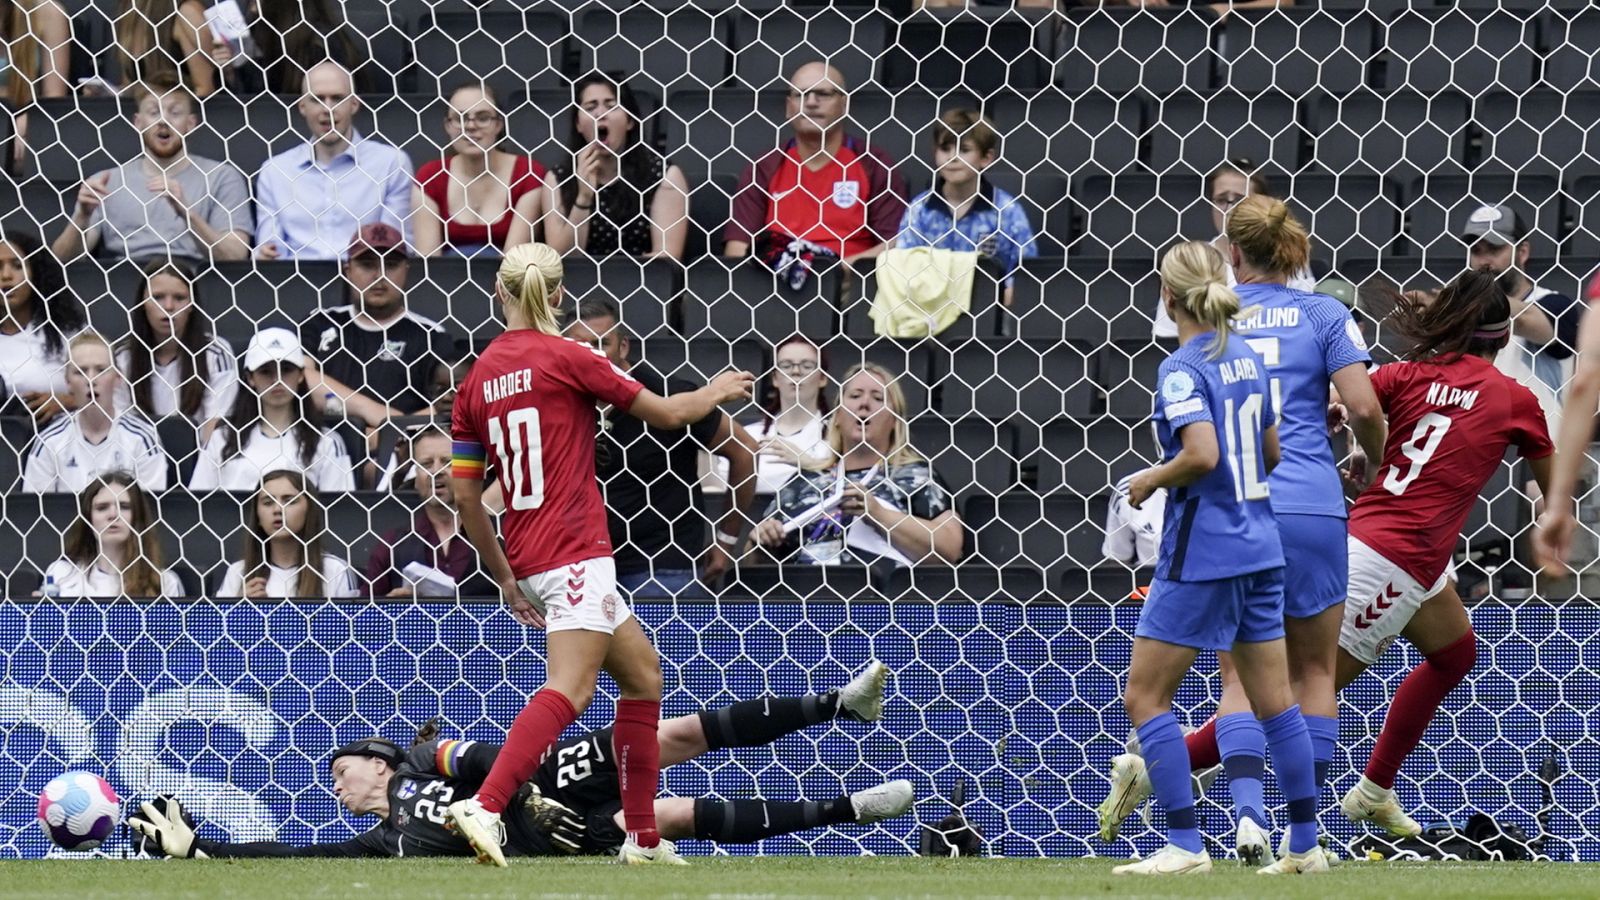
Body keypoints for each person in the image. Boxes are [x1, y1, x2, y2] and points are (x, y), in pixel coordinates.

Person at [445, 242, 753, 866]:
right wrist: (718, 387)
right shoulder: (570, 356)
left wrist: (503, 575)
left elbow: (465, 494)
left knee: (643, 679)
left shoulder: (476, 379)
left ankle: (641, 838)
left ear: (499, 294)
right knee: (571, 688)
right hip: (575, 549)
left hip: (528, 556)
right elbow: (668, 413)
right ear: (557, 296)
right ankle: (486, 805)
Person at [1101, 200, 1386, 866]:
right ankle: (1304, 839)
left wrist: (1151, 480)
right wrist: (1369, 459)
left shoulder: (1218, 340)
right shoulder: (1323, 313)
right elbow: (1364, 405)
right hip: (1313, 507)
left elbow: (1204, 451)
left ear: (1230, 255)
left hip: (1231, 519)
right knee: (1310, 675)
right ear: (1295, 248)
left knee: (1221, 686)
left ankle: (1239, 819)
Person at [126, 664, 910, 859]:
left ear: (378, 763)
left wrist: (519, 795)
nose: (338, 784)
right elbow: (287, 860)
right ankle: (852, 809)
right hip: (553, 840)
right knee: (669, 816)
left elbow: (498, 755)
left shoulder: (431, 764)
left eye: (343, 769)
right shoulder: (380, 843)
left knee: (663, 736)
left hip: (542, 784)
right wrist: (204, 848)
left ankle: (838, 706)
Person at [564, 297, 759, 597]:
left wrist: (726, 540)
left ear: (624, 346)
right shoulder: (562, 404)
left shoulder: (670, 393)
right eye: (581, 347)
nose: (593, 355)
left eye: (602, 343)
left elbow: (745, 450)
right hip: (584, 570)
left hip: (663, 570)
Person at [751, 363, 964, 569]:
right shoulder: (806, 480)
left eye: (878, 398)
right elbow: (749, 565)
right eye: (854, 396)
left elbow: (950, 548)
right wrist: (759, 543)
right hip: (804, 598)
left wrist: (878, 514)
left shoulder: (916, 476)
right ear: (837, 418)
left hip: (882, 600)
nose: (864, 404)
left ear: (895, 421)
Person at [724, 61, 906, 271]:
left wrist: (827, 275)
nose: (811, 102)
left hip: (850, 287)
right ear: (788, 107)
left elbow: (894, 245)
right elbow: (738, 249)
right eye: (801, 95)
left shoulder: (874, 164)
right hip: (776, 286)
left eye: (824, 93)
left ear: (844, 105)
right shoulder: (764, 167)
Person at [51, 80, 252, 263]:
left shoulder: (222, 176)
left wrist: (187, 214)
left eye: (174, 113)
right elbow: (62, 262)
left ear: (191, 123)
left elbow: (235, 256)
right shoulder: (106, 181)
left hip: (195, 283)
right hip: (125, 285)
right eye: (154, 112)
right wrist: (82, 217)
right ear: (138, 123)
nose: (163, 121)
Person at [516, 72, 688, 261]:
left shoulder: (663, 176)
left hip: (641, 284)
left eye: (611, 106)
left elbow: (666, 260)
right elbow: (562, 259)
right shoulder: (558, 178)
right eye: (590, 107)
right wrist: (583, 197)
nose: (600, 114)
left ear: (630, 121)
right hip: (580, 286)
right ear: (578, 124)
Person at [254, 61, 413, 261]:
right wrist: (264, 255)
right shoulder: (275, 171)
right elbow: (270, 250)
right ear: (302, 107)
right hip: (296, 284)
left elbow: (393, 246)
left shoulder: (391, 163)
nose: (327, 109)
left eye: (337, 98)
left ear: (354, 104)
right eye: (317, 99)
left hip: (366, 283)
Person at [301, 223, 455, 427]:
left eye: (390, 265)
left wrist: (392, 436)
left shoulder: (431, 335)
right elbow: (300, 378)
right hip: (326, 447)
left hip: (405, 452)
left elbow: (448, 404)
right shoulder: (320, 322)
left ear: (406, 271)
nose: (379, 275)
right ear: (348, 271)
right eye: (367, 264)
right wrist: (376, 415)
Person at [1151, 160, 1317, 340]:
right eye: (1221, 200)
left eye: (1239, 200)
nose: (1229, 209)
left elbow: (1306, 323)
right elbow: (1167, 336)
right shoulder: (1190, 260)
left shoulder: (1284, 255)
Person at [895, 108, 1039, 302]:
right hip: (928, 312)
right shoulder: (919, 210)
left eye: (964, 150)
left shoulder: (1007, 211)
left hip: (990, 315)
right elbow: (904, 268)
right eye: (945, 149)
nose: (952, 158)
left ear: (986, 158)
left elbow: (1025, 275)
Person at [188, 327, 354, 492]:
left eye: (287, 370)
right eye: (266, 371)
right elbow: (199, 505)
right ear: (250, 378)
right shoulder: (221, 439)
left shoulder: (327, 443)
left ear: (301, 375)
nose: (277, 380)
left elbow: (339, 513)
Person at [1460, 204, 1578, 420]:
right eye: (1476, 250)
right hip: (1484, 442)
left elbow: (1526, 320)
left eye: (1495, 249)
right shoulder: (1462, 312)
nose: (1484, 261)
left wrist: (1464, 299)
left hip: (1541, 445)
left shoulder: (1556, 305)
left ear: (1522, 252)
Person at [413, 82, 555, 258]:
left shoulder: (527, 175)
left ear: (499, 124)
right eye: (460, 118)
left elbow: (513, 263)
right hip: (445, 282)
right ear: (448, 126)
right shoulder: (430, 176)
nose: (471, 126)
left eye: (483, 117)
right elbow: (428, 262)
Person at [23, 332, 168, 493]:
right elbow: (35, 511)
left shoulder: (143, 438)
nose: (91, 379)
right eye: (80, 371)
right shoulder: (49, 442)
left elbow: (150, 510)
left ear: (118, 377)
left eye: (101, 370)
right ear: (67, 382)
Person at [113, 257, 238, 441]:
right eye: (158, 297)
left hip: (200, 461)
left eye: (179, 298)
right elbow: (119, 427)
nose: (169, 307)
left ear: (192, 305)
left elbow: (216, 430)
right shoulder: (122, 357)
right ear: (142, 304)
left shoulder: (217, 353)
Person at [364, 423, 494, 598]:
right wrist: (391, 608)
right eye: (426, 464)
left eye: (448, 462)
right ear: (415, 477)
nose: (436, 471)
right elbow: (363, 618)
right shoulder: (392, 546)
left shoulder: (503, 538)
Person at [715, 334, 832, 498]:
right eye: (786, 365)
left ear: (823, 378)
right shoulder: (747, 435)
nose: (796, 372)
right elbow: (720, 482)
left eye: (807, 366)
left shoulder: (838, 437)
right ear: (775, 378)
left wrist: (809, 463)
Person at [37, 471, 184, 598]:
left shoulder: (164, 583)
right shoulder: (60, 576)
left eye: (124, 507)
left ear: (137, 516)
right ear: (88, 518)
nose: (113, 514)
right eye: (102, 508)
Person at [217, 469, 359, 599]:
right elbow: (217, 626)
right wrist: (239, 610)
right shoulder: (238, 572)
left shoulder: (336, 570)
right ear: (257, 516)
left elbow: (350, 625)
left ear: (309, 511)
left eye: (289, 501)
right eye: (267, 502)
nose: (278, 509)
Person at [0, 229, 85, 425]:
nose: (6, 276)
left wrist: (67, 402)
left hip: (57, 439)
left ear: (35, 273)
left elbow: (110, 393)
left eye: (17, 266)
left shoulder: (66, 332)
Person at [110, 0, 219, 96]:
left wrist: (165, 111)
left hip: (184, 115)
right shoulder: (130, 15)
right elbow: (130, 88)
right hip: (146, 115)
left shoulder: (187, 11)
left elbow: (206, 90)